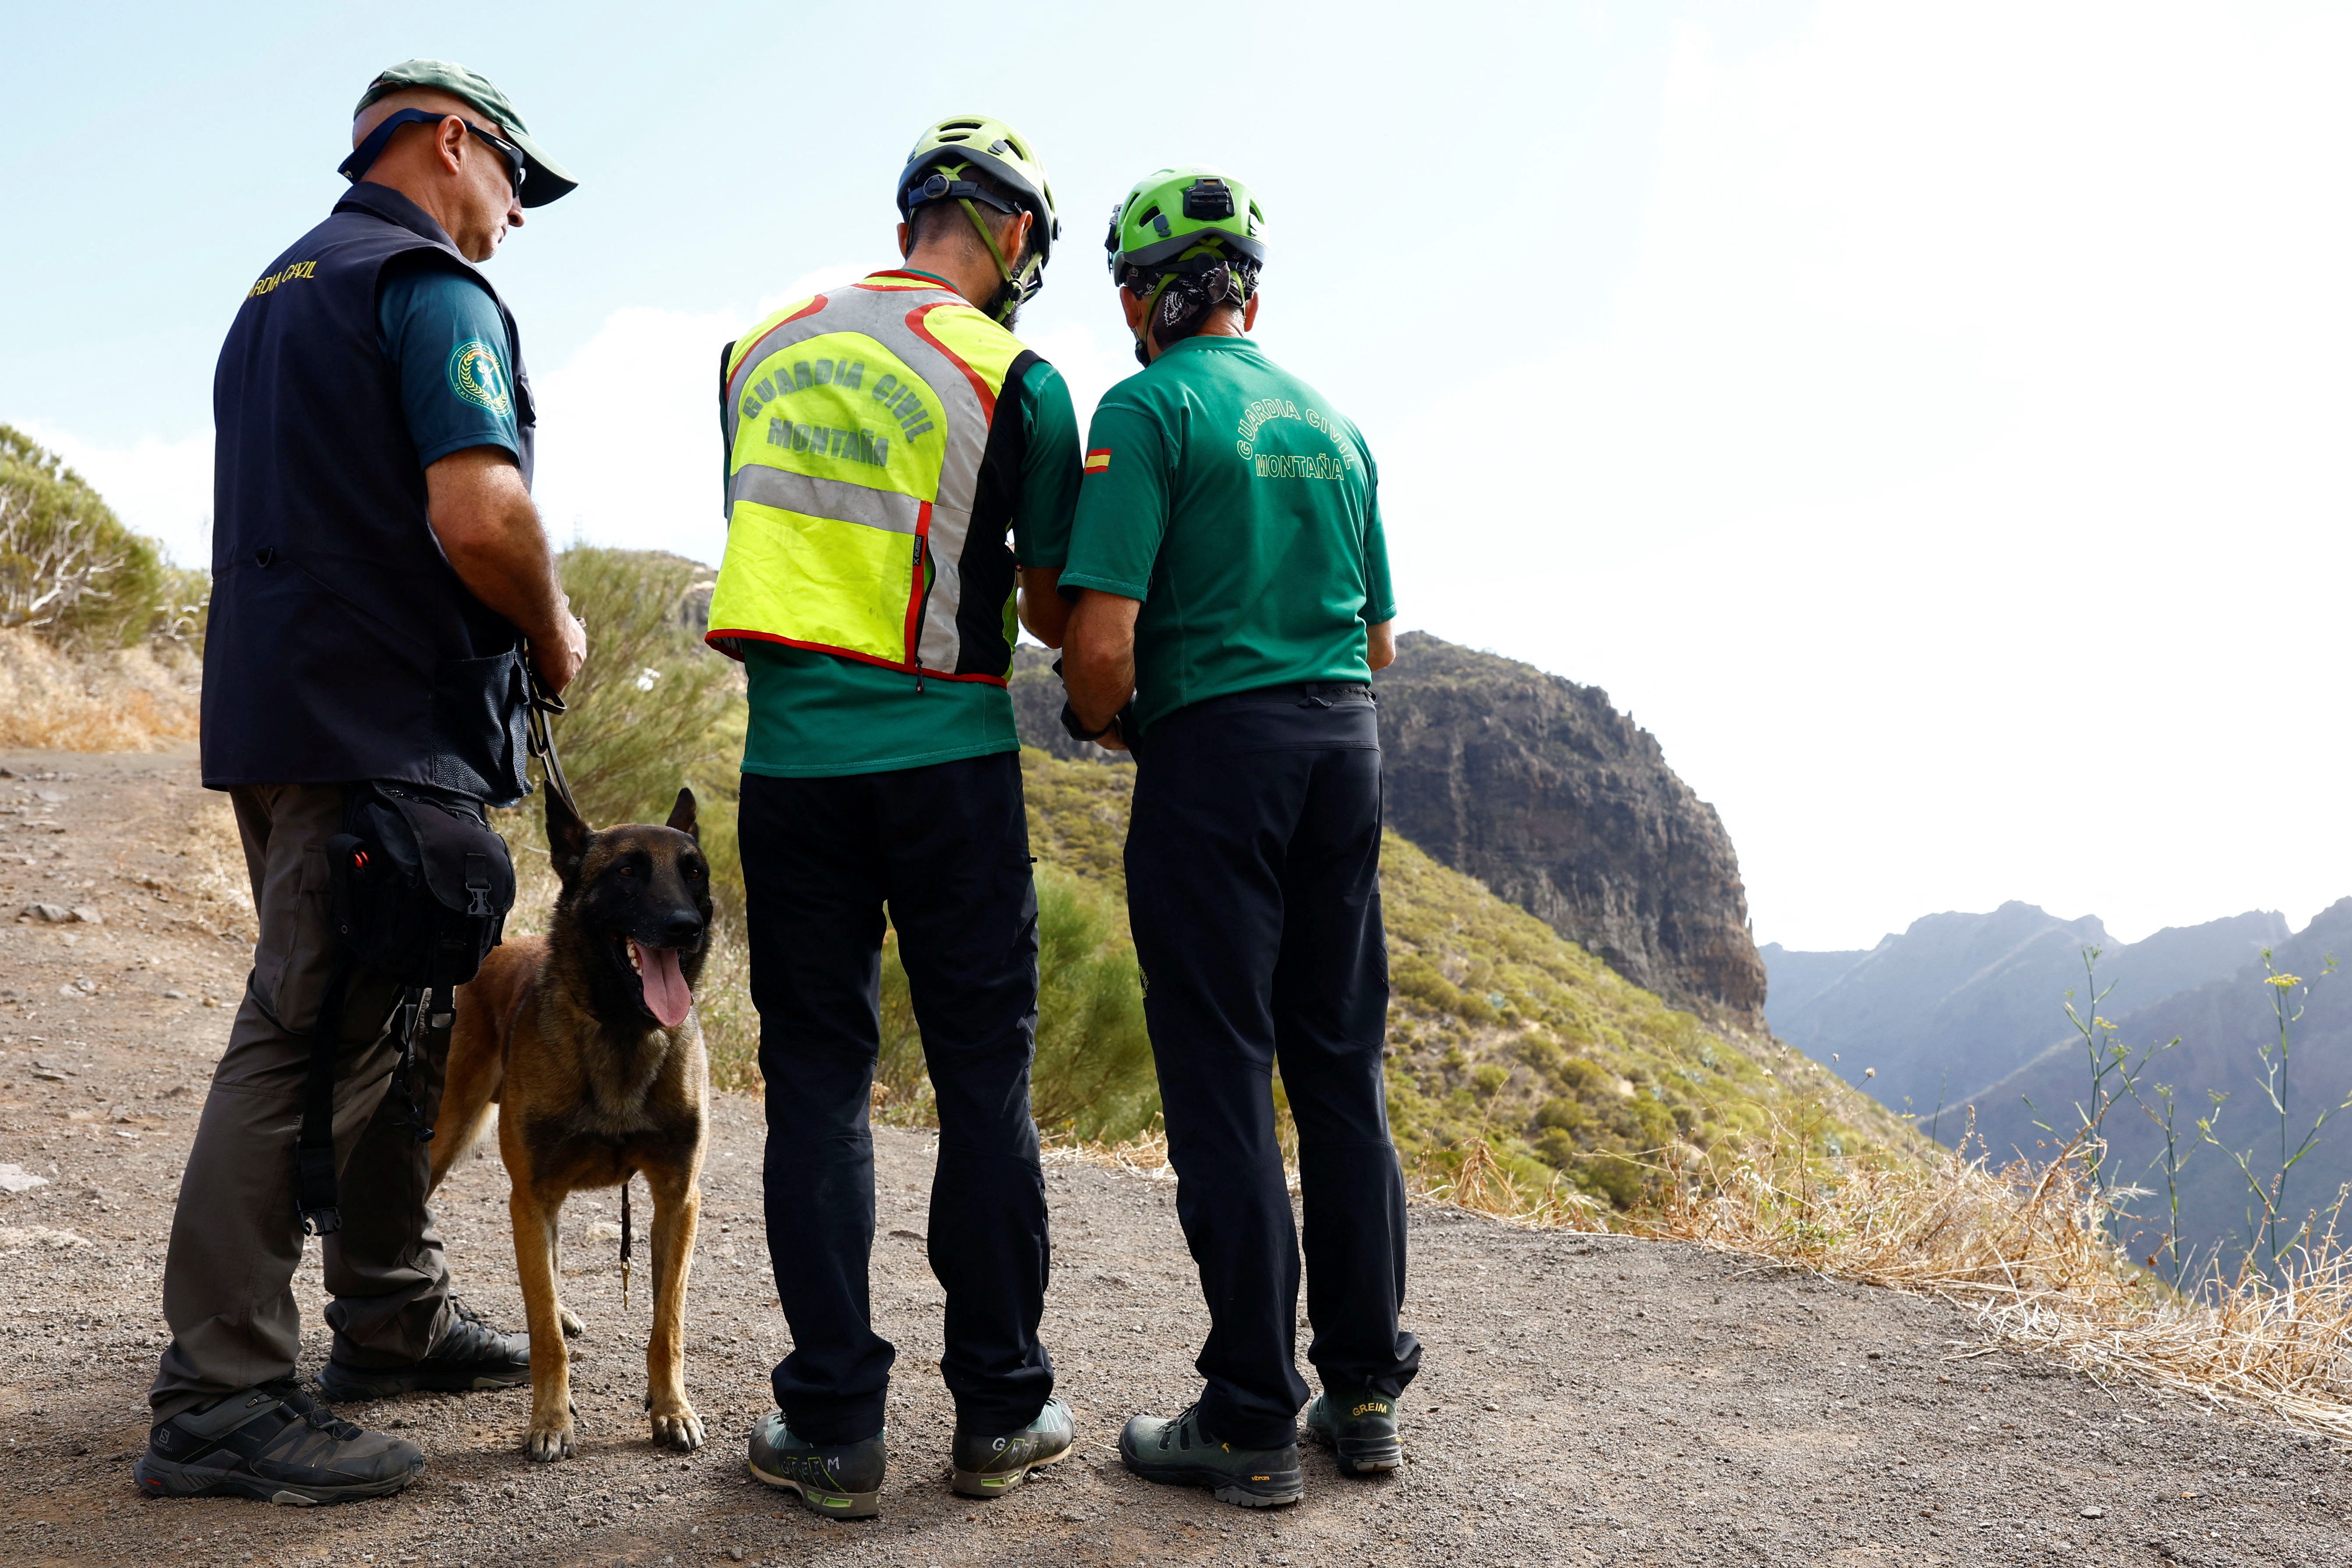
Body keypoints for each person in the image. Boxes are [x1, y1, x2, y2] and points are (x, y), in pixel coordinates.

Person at [135, 60, 586, 1506]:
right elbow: (479, 510)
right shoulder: (430, 286)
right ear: (452, 146)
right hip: (368, 725)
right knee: (302, 1022)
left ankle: (389, 1316)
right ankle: (221, 1395)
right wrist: (554, 623)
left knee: (377, 1019)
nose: (513, 219)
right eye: (514, 182)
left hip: (284, 712)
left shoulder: (276, 295)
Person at [706, 114, 1084, 1519]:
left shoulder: (759, 347)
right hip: (950, 767)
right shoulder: (1016, 375)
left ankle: (830, 1431)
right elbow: (1045, 605)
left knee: (816, 1084)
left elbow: (782, 554)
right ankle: (998, 1409)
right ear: (1011, 234)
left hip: (791, 770)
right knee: (982, 1078)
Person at [1058, 167, 1420, 1508]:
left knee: (1223, 1077)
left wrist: (1117, 721)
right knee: (1340, 1070)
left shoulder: (1147, 409)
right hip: (1346, 745)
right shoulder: (1336, 424)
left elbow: (1097, 646)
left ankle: (1249, 1415)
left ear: (1144, 301)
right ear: (1251, 292)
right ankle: (1365, 1389)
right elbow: (1379, 640)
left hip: (1219, 752)